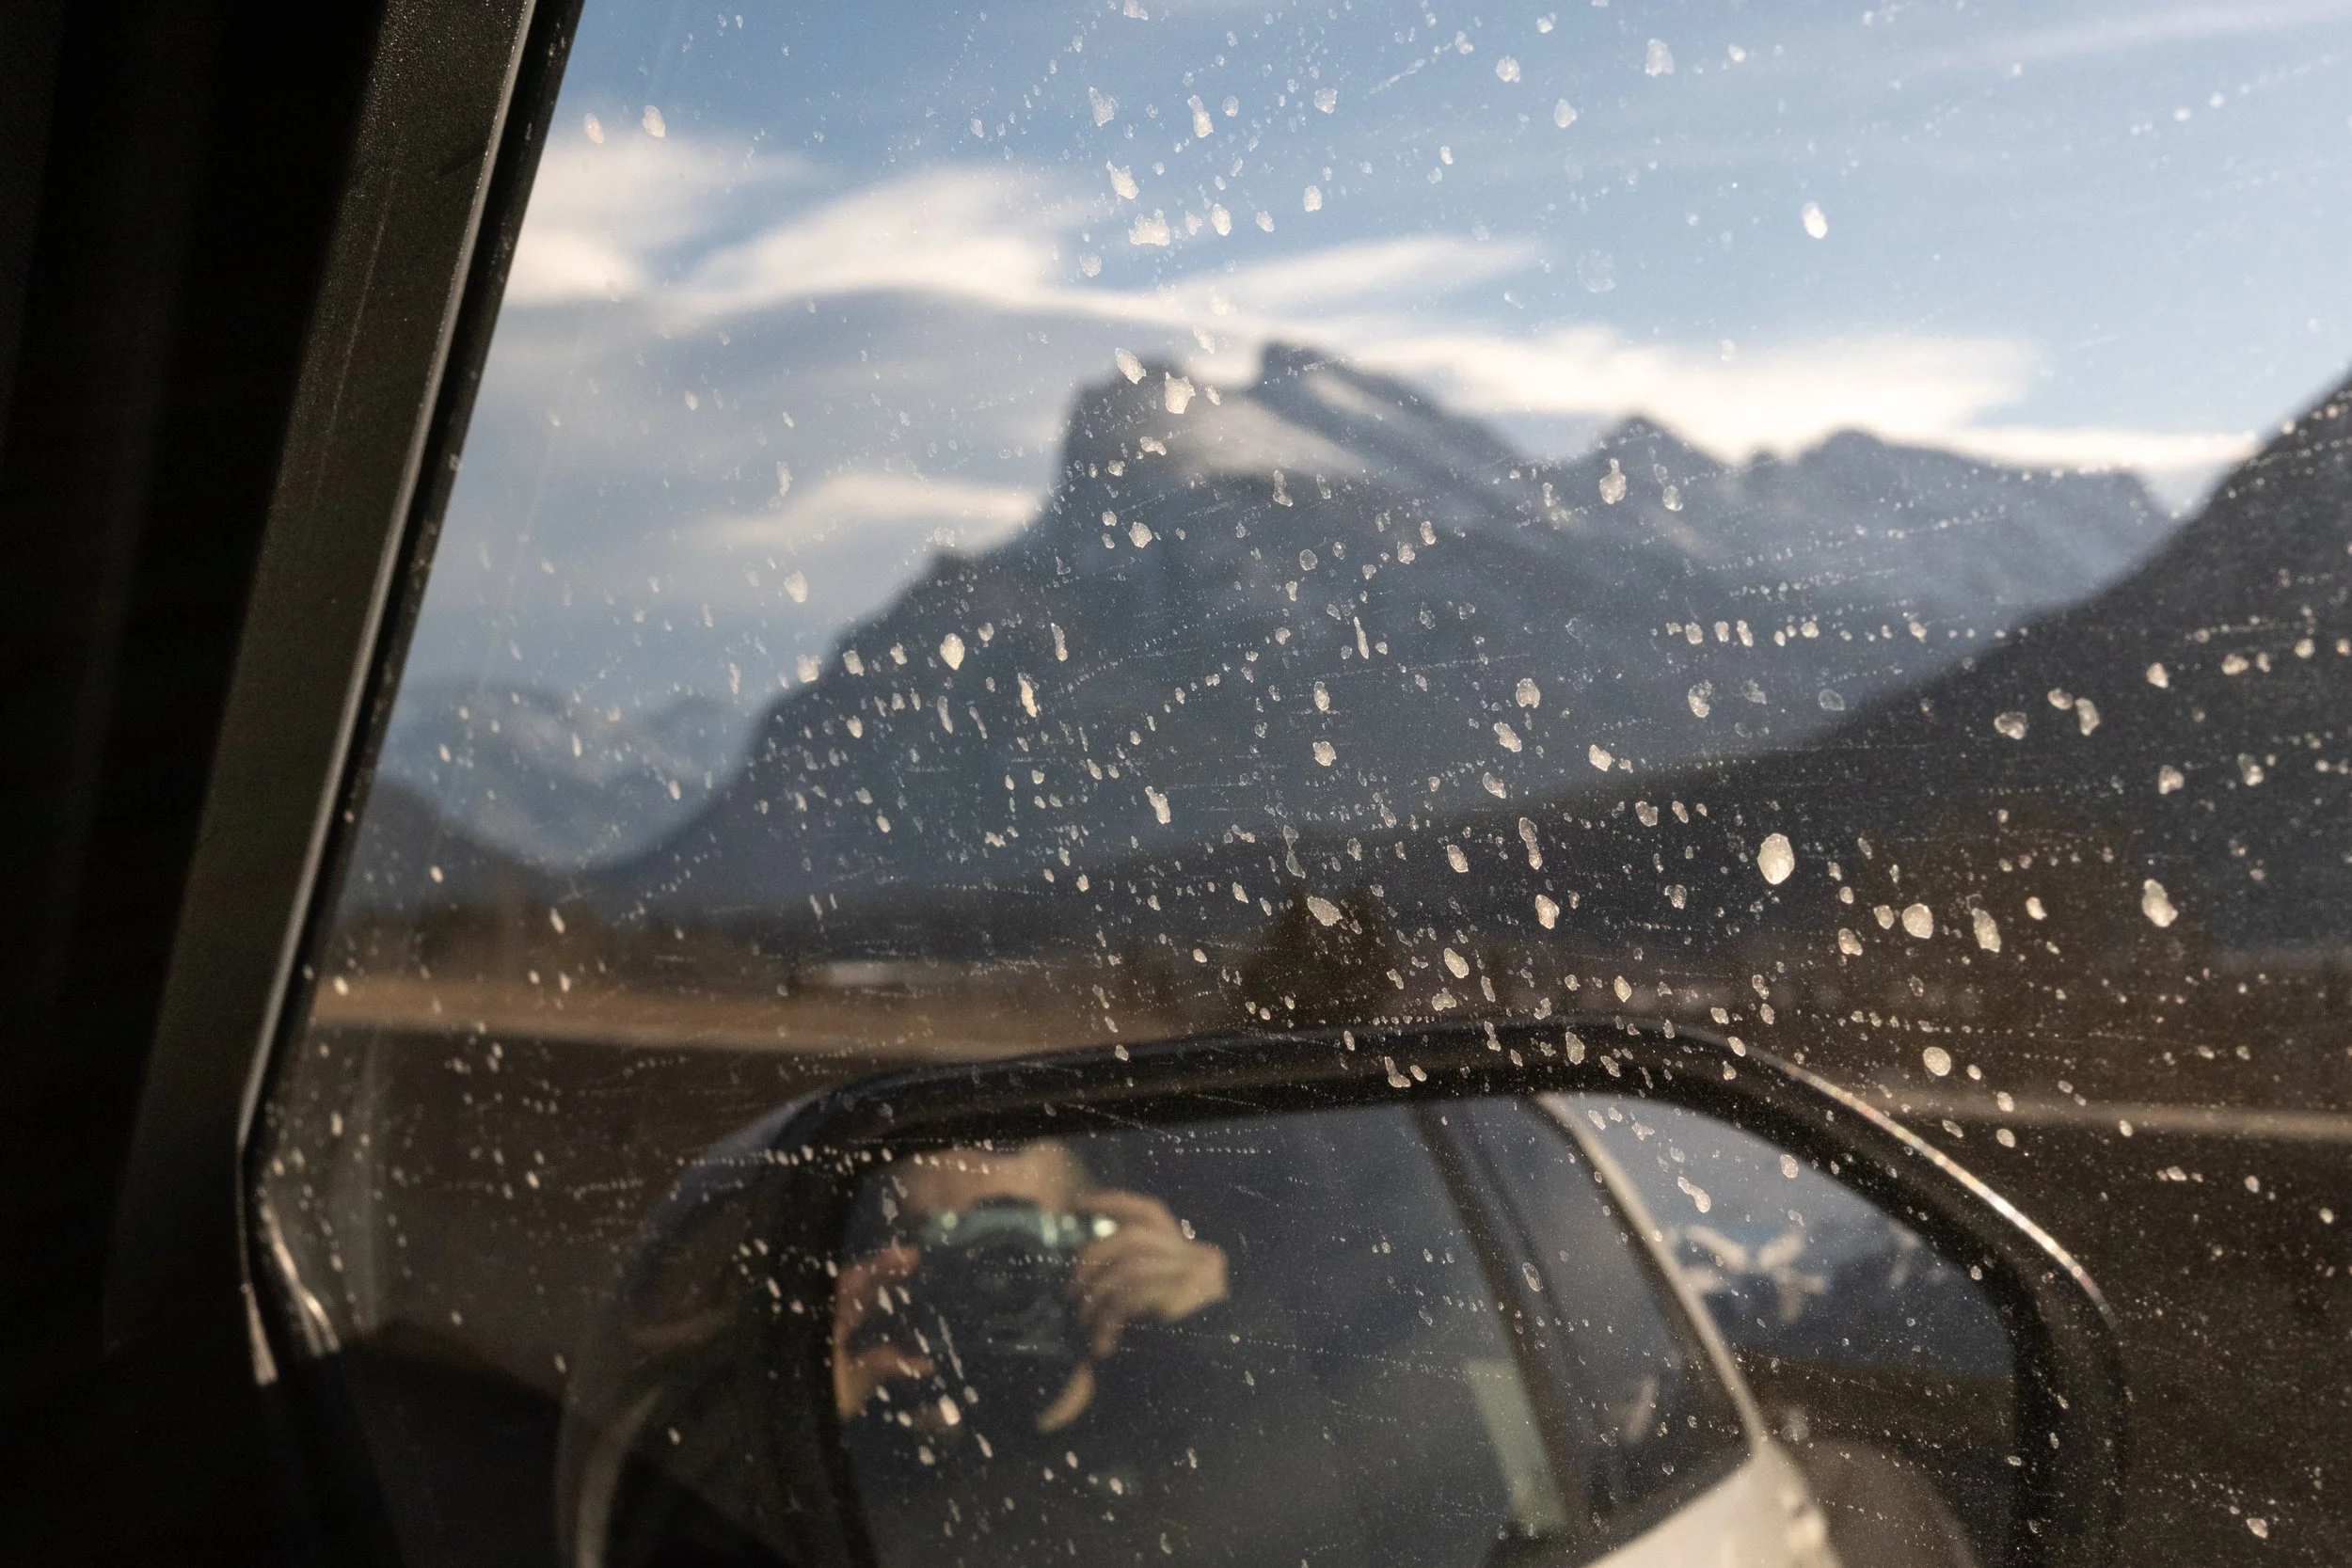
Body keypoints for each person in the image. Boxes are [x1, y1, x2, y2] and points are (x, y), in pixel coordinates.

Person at [831, 1139, 1233, 1568]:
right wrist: (818, 1405)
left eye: (1025, 1244)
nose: (998, 1281)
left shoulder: (1187, 1440)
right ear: (894, 1273)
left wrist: (1209, 1328)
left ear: (1106, 1252)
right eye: (948, 1248)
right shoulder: (863, 1475)